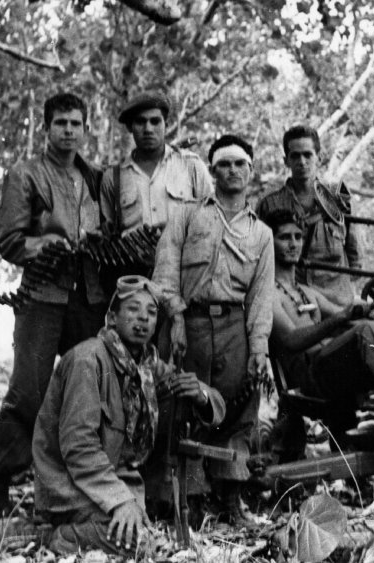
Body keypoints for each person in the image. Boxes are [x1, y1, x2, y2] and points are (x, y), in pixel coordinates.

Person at [27, 275, 224, 555]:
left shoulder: (144, 365)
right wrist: (120, 501)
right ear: (112, 317)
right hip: (68, 486)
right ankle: (57, 537)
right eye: (132, 308)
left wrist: (200, 394)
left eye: (151, 312)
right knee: (140, 543)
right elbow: (79, 448)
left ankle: (50, 532)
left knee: (145, 538)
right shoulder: (88, 360)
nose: (143, 318)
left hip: (107, 485)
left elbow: (216, 405)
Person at [0, 92, 107, 524]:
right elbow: (8, 241)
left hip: (88, 300)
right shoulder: (26, 175)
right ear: (46, 127)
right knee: (27, 392)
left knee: (85, 393)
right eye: (60, 123)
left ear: (86, 128)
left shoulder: (96, 179)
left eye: (76, 123)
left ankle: (77, 489)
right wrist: (46, 245)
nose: (69, 130)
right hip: (42, 297)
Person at [152, 134, 273, 521]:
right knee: (186, 405)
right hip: (193, 322)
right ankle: (190, 499)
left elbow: (260, 296)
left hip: (236, 326)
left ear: (251, 172)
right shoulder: (188, 215)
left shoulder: (262, 233)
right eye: (224, 164)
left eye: (240, 164)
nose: (233, 171)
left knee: (239, 410)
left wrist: (258, 349)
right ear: (212, 170)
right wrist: (176, 318)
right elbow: (166, 270)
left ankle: (229, 497)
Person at [265, 208, 374, 447]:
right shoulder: (269, 294)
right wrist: (341, 317)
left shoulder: (308, 292)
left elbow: (353, 318)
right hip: (312, 377)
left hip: (336, 370)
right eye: (284, 238)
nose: (293, 244)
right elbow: (292, 340)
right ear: (268, 242)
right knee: (366, 331)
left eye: (297, 237)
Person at [256, 125, 359, 306]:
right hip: (295, 304)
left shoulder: (337, 198)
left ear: (318, 157)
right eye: (295, 156)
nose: (302, 162)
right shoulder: (270, 204)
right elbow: (260, 259)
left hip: (338, 302)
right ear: (286, 160)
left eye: (308, 155)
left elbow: (355, 257)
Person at [100, 92, 213, 235]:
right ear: (130, 127)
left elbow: (212, 221)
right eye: (140, 122)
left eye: (155, 121)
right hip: (133, 256)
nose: (148, 129)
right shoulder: (113, 178)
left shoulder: (191, 165)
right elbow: (107, 235)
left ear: (165, 124)